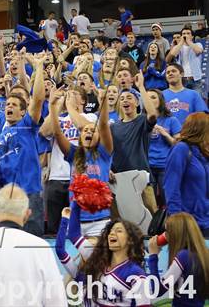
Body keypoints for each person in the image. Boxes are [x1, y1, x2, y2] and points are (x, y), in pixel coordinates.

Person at [0, 57, 47, 236]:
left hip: (29, 194)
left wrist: (38, 67)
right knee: (10, 246)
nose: (9, 107)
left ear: (23, 111)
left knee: (30, 244)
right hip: (6, 198)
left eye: (14, 104)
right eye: (7, 104)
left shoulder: (26, 125)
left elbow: (37, 99)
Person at [51, 84, 113, 236]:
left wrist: (103, 103)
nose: (89, 131)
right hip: (75, 220)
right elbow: (58, 134)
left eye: (93, 130)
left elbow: (104, 125)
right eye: (85, 130)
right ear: (79, 136)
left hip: (100, 221)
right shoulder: (74, 154)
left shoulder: (105, 153)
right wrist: (52, 106)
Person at [64, 201, 150, 306]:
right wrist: (77, 202)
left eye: (119, 231)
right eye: (111, 231)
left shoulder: (136, 274)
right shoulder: (97, 257)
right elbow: (74, 235)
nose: (112, 233)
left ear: (130, 240)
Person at [110, 72, 158, 215]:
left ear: (137, 102)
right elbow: (107, 152)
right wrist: (108, 169)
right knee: (121, 223)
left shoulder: (142, 120)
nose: (125, 100)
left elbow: (153, 115)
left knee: (151, 219)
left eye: (129, 97)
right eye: (122, 98)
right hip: (119, 180)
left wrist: (141, 87)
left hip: (142, 180)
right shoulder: (113, 127)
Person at [148, 213, 209, 306]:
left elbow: (157, 290)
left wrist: (153, 256)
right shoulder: (203, 254)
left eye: (167, 231)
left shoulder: (183, 256)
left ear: (176, 233)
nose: (165, 236)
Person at [164, 112, 209, 237]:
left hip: (206, 222)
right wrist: (177, 220)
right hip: (188, 224)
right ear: (199, 130)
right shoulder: (181, 149)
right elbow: (171, 187)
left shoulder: (204, 153)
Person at [147, 89, 181, 208]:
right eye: (147, 98)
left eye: (153, 97)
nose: (150, 100)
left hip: (165, 166)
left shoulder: (171, 120)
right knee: (150, 204)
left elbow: (178, 145)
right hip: (147, 167)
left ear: (160, 101)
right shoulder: (141, 121)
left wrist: (164, 133)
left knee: (169, 200)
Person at [165, 27, 204, 95]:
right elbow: (173, 54)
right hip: (182, 79)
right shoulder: (179, 47)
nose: (185, 35)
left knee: (197, 100)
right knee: (184, 102)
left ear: (192, 36)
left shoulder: (198, 45)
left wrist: (189, 41)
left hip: (195, 79)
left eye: (188, 33)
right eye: (183, 34)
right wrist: (181, 42)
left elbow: (198, 51)